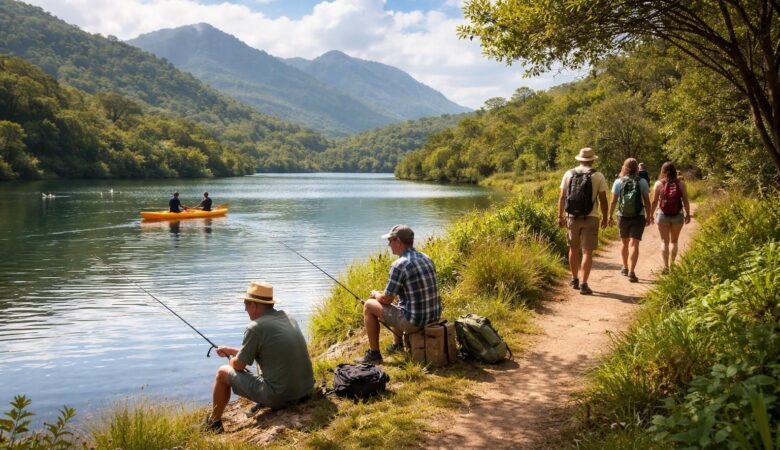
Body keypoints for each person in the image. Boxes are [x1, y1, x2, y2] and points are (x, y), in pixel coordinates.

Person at [205, 281, 314, 433]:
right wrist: (231, 350)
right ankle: (262, 400)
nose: (244, 309)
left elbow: (238, 365)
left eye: (246, 304)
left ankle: (214, 423)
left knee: (222, 372)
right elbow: (268, 350)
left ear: (254, 305)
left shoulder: (255, 328)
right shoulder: (287, 317)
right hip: (306, 390)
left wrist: (231, 360)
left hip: (282, 397)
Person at [356, 224, 441, 364]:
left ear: (398, 241)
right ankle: (397, 345)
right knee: (398, 304)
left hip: (415, 322)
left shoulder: (399, 264)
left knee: (369, 305)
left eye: (390, 241)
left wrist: (375, 294)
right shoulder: (426, 257)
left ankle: (374, 355)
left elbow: (386, 299)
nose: (389, 245)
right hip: (433, 317)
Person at [557, 147, 609, 295]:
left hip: (572, 217)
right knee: (587, 251)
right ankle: (584, 284)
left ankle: (574, 279)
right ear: (592, 160)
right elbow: (603, 200)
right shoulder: (598, 176)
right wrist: (605, 218)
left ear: (579, 159)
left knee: (573, 249)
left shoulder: (569, 174)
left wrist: (560, 216)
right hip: (591, 217)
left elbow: (562, 197)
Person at [607, 158, 652, 283]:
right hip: (638, 216)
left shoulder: (618, 182)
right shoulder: (642, 182)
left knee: (624, 243)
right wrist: (649, 216)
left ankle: (625, 267)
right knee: (634, 244)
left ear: (624, 167)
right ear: (637, 168)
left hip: (622, 216)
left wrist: (609, 216)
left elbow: (613, 201)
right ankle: (632, 272)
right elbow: (647, 202)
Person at [649, 161, 691, 274]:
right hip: (678, 216)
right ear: (674, 170)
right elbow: (686, 201)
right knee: (674, 241)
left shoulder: (658, 184)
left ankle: (665, 267)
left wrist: (650, 215)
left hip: (662, 215)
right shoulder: (681, 184)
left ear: (662, 171)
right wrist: (688, 214)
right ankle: (673, 265)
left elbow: (654, 202)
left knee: (664, 242)